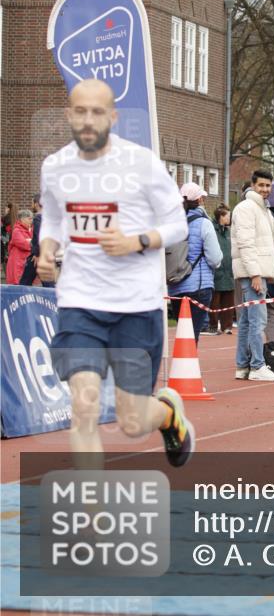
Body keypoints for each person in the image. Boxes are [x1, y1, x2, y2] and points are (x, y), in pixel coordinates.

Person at [36, 79, 194, 467]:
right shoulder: (55, 167)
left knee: (132, 420)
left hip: (134, 305)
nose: (88, 120)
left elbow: (178, 226)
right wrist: (47, 249)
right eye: (80, 111)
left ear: (113, 116)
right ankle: (93, 520)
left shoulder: (141, 163)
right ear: (69, 114)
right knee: (84, 407)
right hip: (80, 302)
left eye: (97, 112)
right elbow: (54, 219)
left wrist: (138, 240)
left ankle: (168, 414)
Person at [232, 168, 274, 381]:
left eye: (268, 185)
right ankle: (257, 366)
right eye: (261, 185)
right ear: (253, 185)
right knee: (257, 321)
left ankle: (242, 365)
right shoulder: (247, 208)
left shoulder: (263, 210)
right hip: (253, 273)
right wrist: (255, 274)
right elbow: (246, 244)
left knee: (247, 321)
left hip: (257, 272)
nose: (265, 189)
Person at [169, 183, 222, 342]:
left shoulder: (172, 224)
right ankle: (187, 366)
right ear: (199, 200)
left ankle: (182, 364)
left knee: (183, 333)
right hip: (199, 286)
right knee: (192, 336)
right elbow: (215, 258)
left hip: (175, 286)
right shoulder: (204, 223)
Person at [208, 203, 235, 333]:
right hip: (217, 271)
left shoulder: (228, 232)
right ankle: (213, 325)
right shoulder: (212, 231)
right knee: (215, 301)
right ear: (221, 217)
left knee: (229, 300)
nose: (230, 218)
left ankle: (227, 326)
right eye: (228, 216)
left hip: (229, 271)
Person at [19, 194, 43, 286]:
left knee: (24, 283)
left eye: (32, 203)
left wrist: (37, 254)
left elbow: (38, 236)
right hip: (47, 254)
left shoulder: (37, 218)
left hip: (37, 256)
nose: (31, 205)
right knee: (49, 283)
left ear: (36, 204)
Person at [6, 209, 33, 283]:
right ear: (22, 219)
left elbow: (36, 242)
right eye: (29, 218)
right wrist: (31, 243)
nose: (31, 221)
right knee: (17, 284)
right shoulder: (16, 231)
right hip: (17, 262)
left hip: (27, 262)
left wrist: (30, 241)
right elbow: (23, 244)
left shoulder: (31, 229)